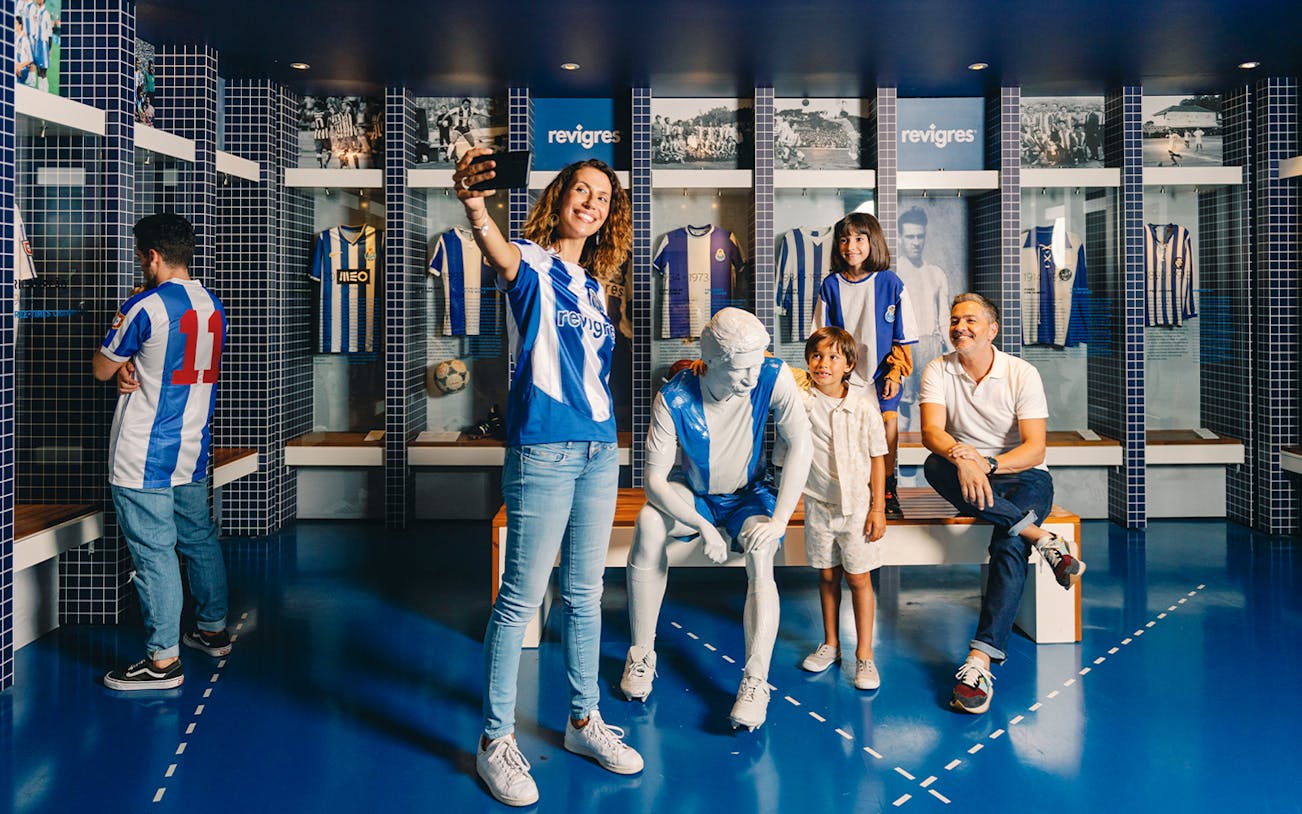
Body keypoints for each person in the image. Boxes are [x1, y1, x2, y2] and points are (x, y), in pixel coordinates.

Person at [453, 150, 642, 807]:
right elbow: (495, 251)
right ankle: (494, 743)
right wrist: (475, 205)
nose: (591, 202)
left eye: (603, 198)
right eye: (581, 191)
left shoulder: (595, 288)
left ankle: (583, 721)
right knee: (519, 599)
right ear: (561, 196)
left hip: (597, 452)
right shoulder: (529, 259)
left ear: (608, 217)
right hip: (542, 451)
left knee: (585, 597)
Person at [619, 307, 812, 731]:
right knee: (649, 524)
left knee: (761, 552)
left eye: (756, 366)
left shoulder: (771, 375)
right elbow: (654, 482)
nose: (751, 378)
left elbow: (801, 445)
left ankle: (755, 681)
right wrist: (705, 526)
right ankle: (641, 654)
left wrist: (779, 520)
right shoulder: (674, 398)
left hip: (749, 495)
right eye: (742, 370)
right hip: (700, 497)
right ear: (713, 362)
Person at [919, 293, 1086, 715]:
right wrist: (962, 455)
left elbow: (1034, 448)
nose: (960, 327)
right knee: (933, 465)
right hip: (965, 471)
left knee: (1007, 542)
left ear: (993, 330)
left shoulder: (1021, 373)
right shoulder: (938, 369)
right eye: (955, 320)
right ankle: (1042, 538)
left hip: (1024, 475)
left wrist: (987, 462)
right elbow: (932, 433)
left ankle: (979, 662)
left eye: (971, 320)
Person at [94, 213, 231, 691]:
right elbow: (168, 363)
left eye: (140, 254)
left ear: (152, 255)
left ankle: (162, 663)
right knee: (198, 539)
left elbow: (101, 369)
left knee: (154, 554)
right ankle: (212, 629)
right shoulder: (213, 305)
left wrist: (124, 362)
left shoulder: (144, 305)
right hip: (191, 446)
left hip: (144, 452)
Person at [795, 327, 888, 690]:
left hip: (857, 508)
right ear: (807, 361)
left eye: (834, 357)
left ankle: (864, 655)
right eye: (817, 355)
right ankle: (831, 644)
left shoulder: (863, 408)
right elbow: (762, 369)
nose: (824, 363)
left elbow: (878, 459)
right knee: (827, 576)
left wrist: (877, 509)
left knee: (859, 578)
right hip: (819, 505)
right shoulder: (800, 400)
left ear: (849, 365)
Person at [812, 212, 917, 520]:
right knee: (849, 430)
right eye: (844, 239)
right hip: (846, 374)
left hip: (883, 371)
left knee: (888, 426)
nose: (851, 246)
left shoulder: (891, 282)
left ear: (873, 243)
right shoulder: (831, 285)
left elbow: (904, 334)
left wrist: (896, 372)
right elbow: (821, 336)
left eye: (859, 239)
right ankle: (856, 487)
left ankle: (886, 486)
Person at [896, 206, 952, 433]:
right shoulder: (894, 273)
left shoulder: (936, 274)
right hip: (903, 346)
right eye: (910, 236)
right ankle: (900, 459)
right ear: (900, 238)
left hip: (931, 345)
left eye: (920, 236)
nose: (915, 242)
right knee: (902, 407)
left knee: (931, 405)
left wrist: (951, 352)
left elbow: (944, 318)